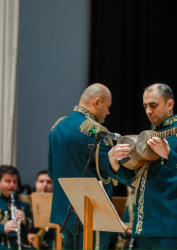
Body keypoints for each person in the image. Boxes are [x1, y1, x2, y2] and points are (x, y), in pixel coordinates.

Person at [108, 83, 177, 249]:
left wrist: (169, 155)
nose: (148, 111)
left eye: (153, 105)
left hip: (170, 229)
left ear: (170, 104)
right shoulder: (148, 136)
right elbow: (137, 181)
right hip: (143, 227)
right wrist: (113, 162)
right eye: (145, 106)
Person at [48, 83, 114, 249]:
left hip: (64, 213)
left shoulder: (58, 127)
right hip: (92, 214)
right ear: (97, 102)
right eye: (107, 107)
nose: (108, 112)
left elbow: (51, 170)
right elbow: (108, 172)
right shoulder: (97, 132)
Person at [0, 165, 33, 249]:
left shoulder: (23, 203)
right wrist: (3, 228)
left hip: (20, 246)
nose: (12, 185)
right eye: (8, 181)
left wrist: (25, 221)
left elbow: (35, 228)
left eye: (15, 182)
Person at [27, 170, 55, 249]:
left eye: (49, 182)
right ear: (36, 183)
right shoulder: (26, 202)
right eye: (41, 181)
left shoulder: (57, 204)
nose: (45, 184)